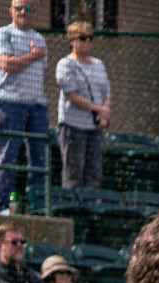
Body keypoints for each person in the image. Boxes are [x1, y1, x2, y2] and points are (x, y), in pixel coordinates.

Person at [0, 0, 48, 211]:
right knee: (6, 156)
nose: (22, 12)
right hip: (10, 102)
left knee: (39, 159)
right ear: (11, 10)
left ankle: (36, 206)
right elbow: (7, 64)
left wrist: (29, 57)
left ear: (33, 11)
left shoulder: (39, 38)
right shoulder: (3, 34)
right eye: (18, 8)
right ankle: (1, 206)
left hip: (36, 105)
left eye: (27, 8)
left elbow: (39, 71)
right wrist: (32, 55)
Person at [55, 19, 108, 190]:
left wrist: (104, 111)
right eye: (82, 38)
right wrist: (98, 108)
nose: (87, 42)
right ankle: (71, 212)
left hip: (94, 127)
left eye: (90, 38)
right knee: (73, 174)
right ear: (71, 41)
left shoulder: (99, 64)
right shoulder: (66, 64)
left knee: (94, 174)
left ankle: (91, 212)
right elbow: (72, 95)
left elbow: (106, 92)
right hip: (73, 126)